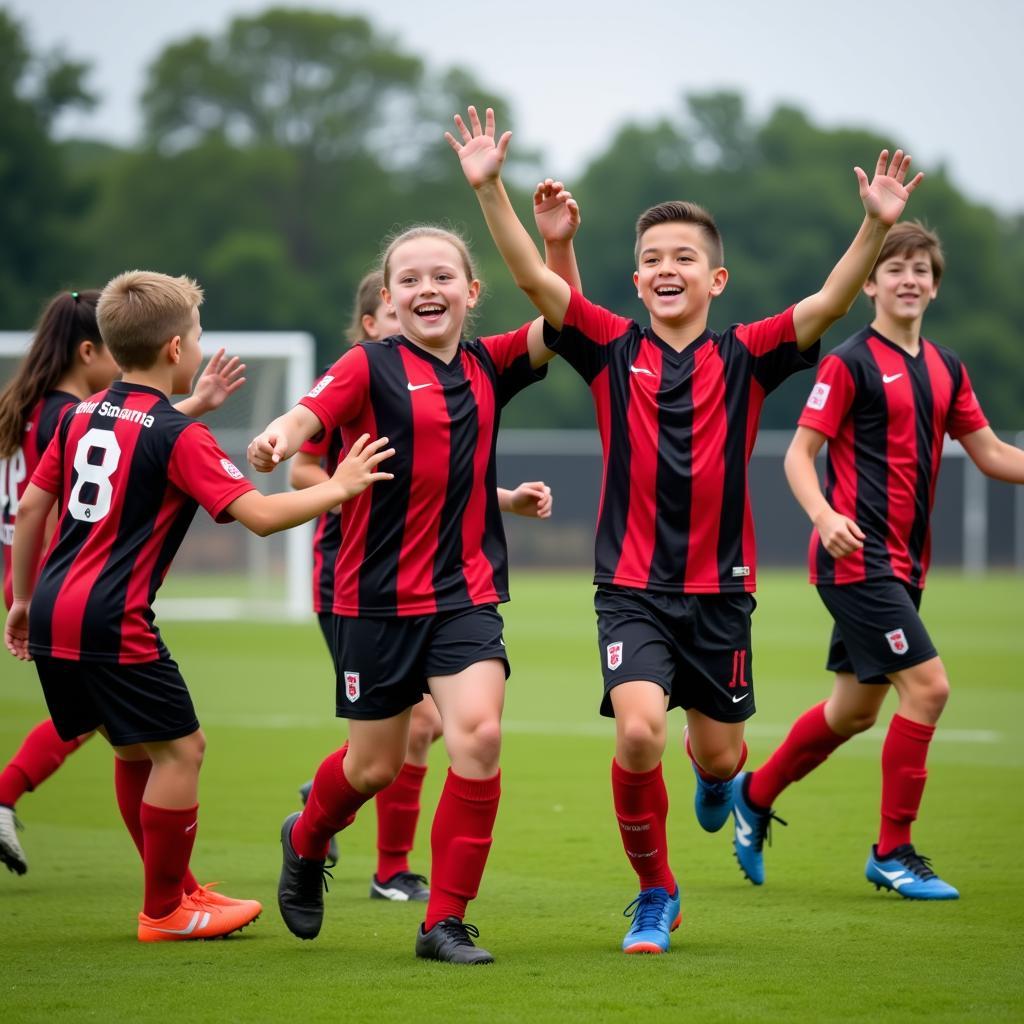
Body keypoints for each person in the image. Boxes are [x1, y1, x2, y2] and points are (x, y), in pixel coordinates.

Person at [447, 105, 922, 953]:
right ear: (636, 281)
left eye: (685, 259)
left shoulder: (749, 352)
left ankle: (721, 785)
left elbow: (831, 299)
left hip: (721, 596)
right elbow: (533, 281)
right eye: (653, 260)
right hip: (629, 590)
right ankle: (655, 894)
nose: (667, 269)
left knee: (718, 759)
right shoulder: (607, 344)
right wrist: (491, 190)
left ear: (717, 280)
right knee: (637, 732)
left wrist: (872, 226)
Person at [3, 270, 393, 941]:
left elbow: (34, 505)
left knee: (135, 752)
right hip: (112, 616)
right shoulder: (178, 437)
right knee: (183, 751)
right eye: (198, 334)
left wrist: (21, 600)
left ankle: (175, 889)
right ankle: (165, 910)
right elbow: (264, 516)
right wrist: (343, 486)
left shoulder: (77, 417)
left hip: (56, 610)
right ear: (177, 350)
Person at [247, 226, 549, 964]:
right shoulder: (366, 365)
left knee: (477, 735)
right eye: (409, 279)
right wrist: (277, 439)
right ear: (388, 298)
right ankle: (307, 836)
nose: (427, 289)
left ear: (471, 292)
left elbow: (561, 312)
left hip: (465, 596)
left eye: (442, 276)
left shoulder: (491, 362)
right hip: (374, 600)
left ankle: (443, 921)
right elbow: (306, 417)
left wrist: (549, 237)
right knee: (372, 768)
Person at [730, 221, 1024, 899]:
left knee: (855, 711)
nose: (910, 279)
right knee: (929, 688)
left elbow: (991, 453)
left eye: (922, 269)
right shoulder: (850, 361)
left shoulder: (948, 367)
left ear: (936, 285)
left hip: (905, 566)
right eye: (896, 269)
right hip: (855, 562)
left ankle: (754, 793)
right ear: (870, 284)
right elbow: (798, 454)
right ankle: (893, 851)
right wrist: (825, 515)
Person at [0, 288, 244, 876]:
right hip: (81, 581)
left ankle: (174, 889)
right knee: (158, 741)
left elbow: (129, 441)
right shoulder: (70, 412)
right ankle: (167, 896)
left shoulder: (44, 410)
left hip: (41, 581)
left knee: (125, 737)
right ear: (90, 350)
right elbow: (128, 454)